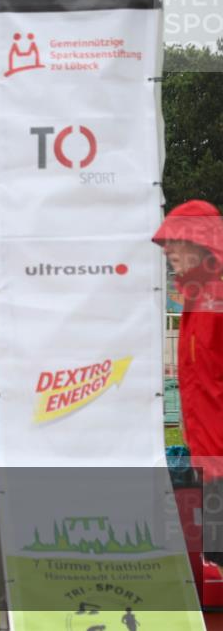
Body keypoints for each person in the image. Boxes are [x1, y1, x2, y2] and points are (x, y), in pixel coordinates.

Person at [152, 200, 223, 564]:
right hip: (206, 460)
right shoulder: (196, 303)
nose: (169, 251)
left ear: (200, 244)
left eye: (177, 241)